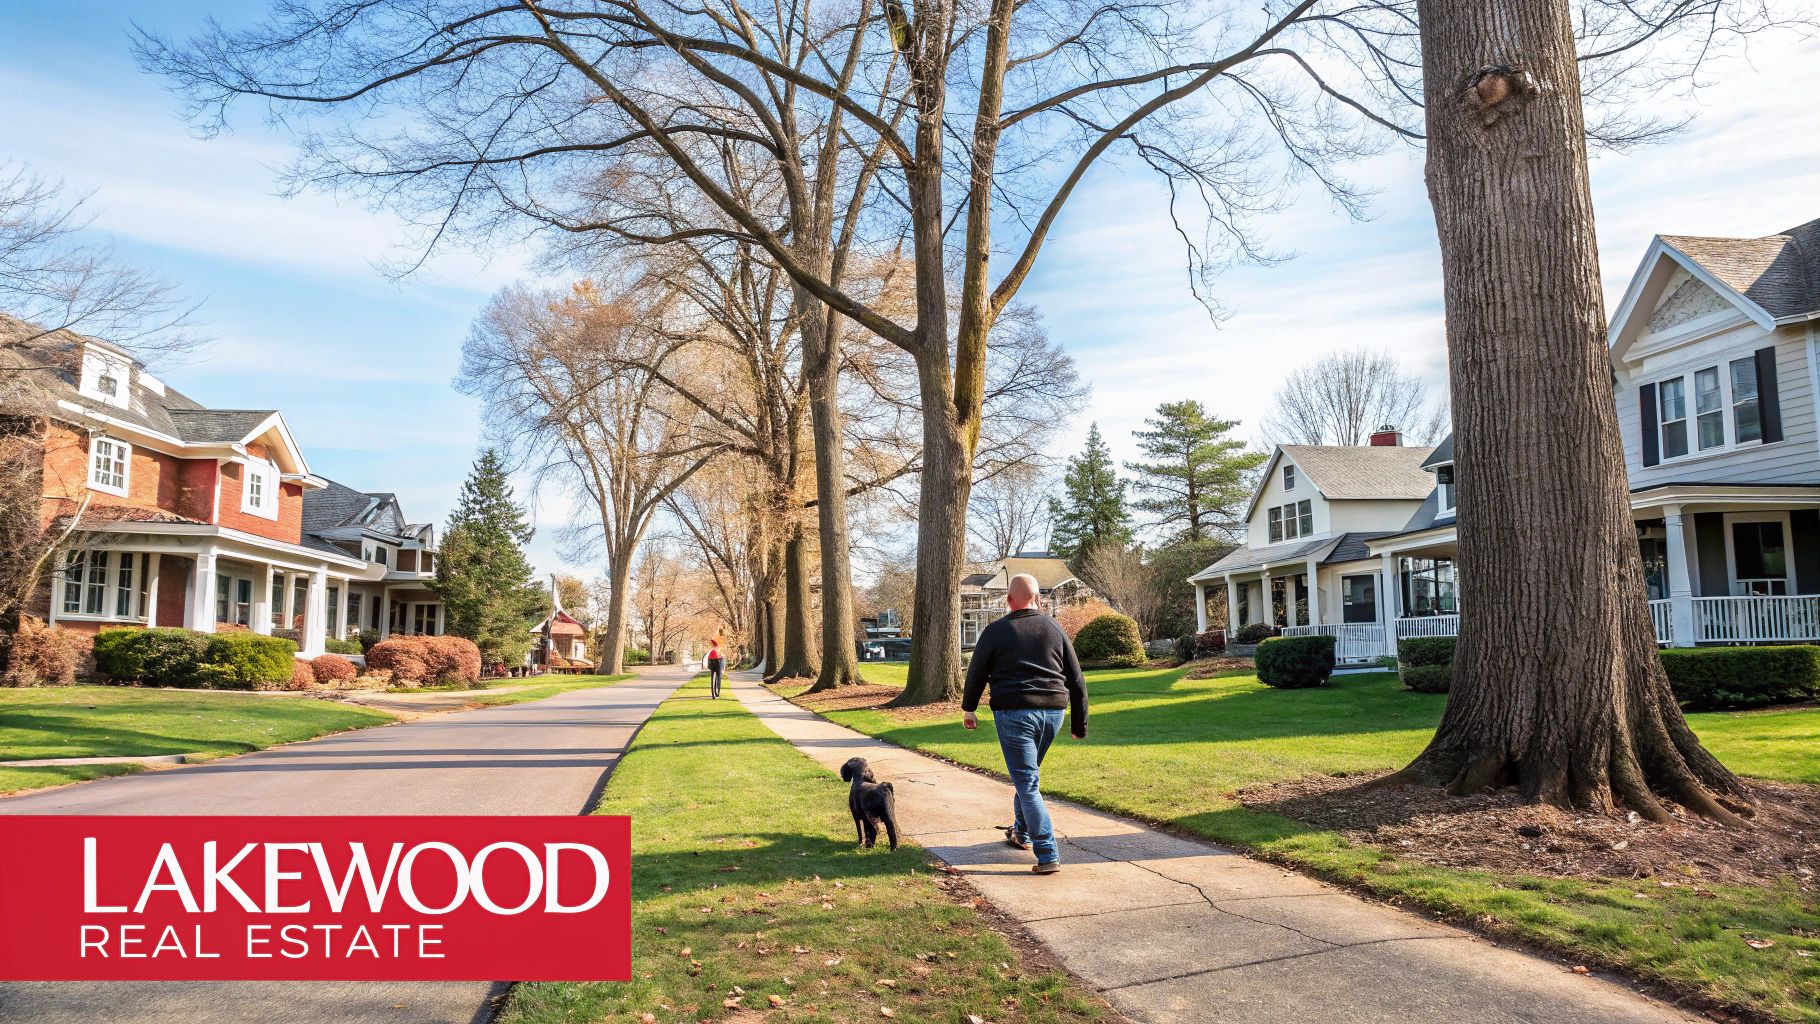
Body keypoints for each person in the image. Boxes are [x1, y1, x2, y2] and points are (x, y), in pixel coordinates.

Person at [960, 573, 1087, 875]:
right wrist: (1079, 722)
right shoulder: (1055, 628)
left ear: (1009, 600)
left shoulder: (996, 630)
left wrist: (969, 709)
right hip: (1053, 713)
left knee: (1027, 783)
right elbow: (1076, 678)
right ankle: (1021, 832)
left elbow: (976, 672)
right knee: (1027, 777)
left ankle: (1048, 854)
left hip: (1015, 712)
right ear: (1038, 598)